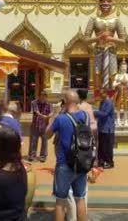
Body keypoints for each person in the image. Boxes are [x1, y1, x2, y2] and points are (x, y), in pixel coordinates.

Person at [46, 90, 89, 221]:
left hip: (65, 163)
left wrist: (54, 114)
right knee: (80, 198)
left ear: (65, 101)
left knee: (60, 201)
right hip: (82, 162)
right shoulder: (85, 116)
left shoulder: (61, 118)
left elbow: (47, 135)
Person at [29, 90, 52, 162]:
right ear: (39, 96)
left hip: (44, 126)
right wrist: (44, 116)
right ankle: (32, 155)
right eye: (42, 96)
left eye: (44, 96)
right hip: (35, 124)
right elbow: (36, 111)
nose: (43, 97)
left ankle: (43, 156)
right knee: (33, 141)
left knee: (44, 142)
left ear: (46, 97)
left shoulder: (49, 104)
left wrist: (48, 116)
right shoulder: (34, 102)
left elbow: (51, 112)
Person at [94, 89, 115, 169]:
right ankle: (101, 161)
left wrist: (94, 113)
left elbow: (105, 113)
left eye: (102, 93)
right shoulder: (103, 102)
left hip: (108, 128)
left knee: (108, 147)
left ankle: (109, 162)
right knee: (102, 146)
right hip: (102, 127)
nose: (100, 94)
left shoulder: (109, 102)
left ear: (106, 94)